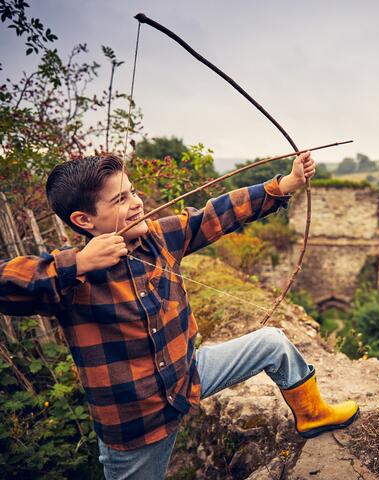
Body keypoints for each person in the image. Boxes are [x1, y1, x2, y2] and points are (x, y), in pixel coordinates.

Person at [0, 152, 359, 479]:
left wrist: (284, 185)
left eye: (134, 191)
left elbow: (216, 215)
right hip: (137, 427)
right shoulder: (69, 279)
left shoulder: (159, 237)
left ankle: (312, 414)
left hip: (187, 377)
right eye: (120, 199)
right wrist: (77, 263)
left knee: (272, 342)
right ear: (83, 219)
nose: (137, 203)